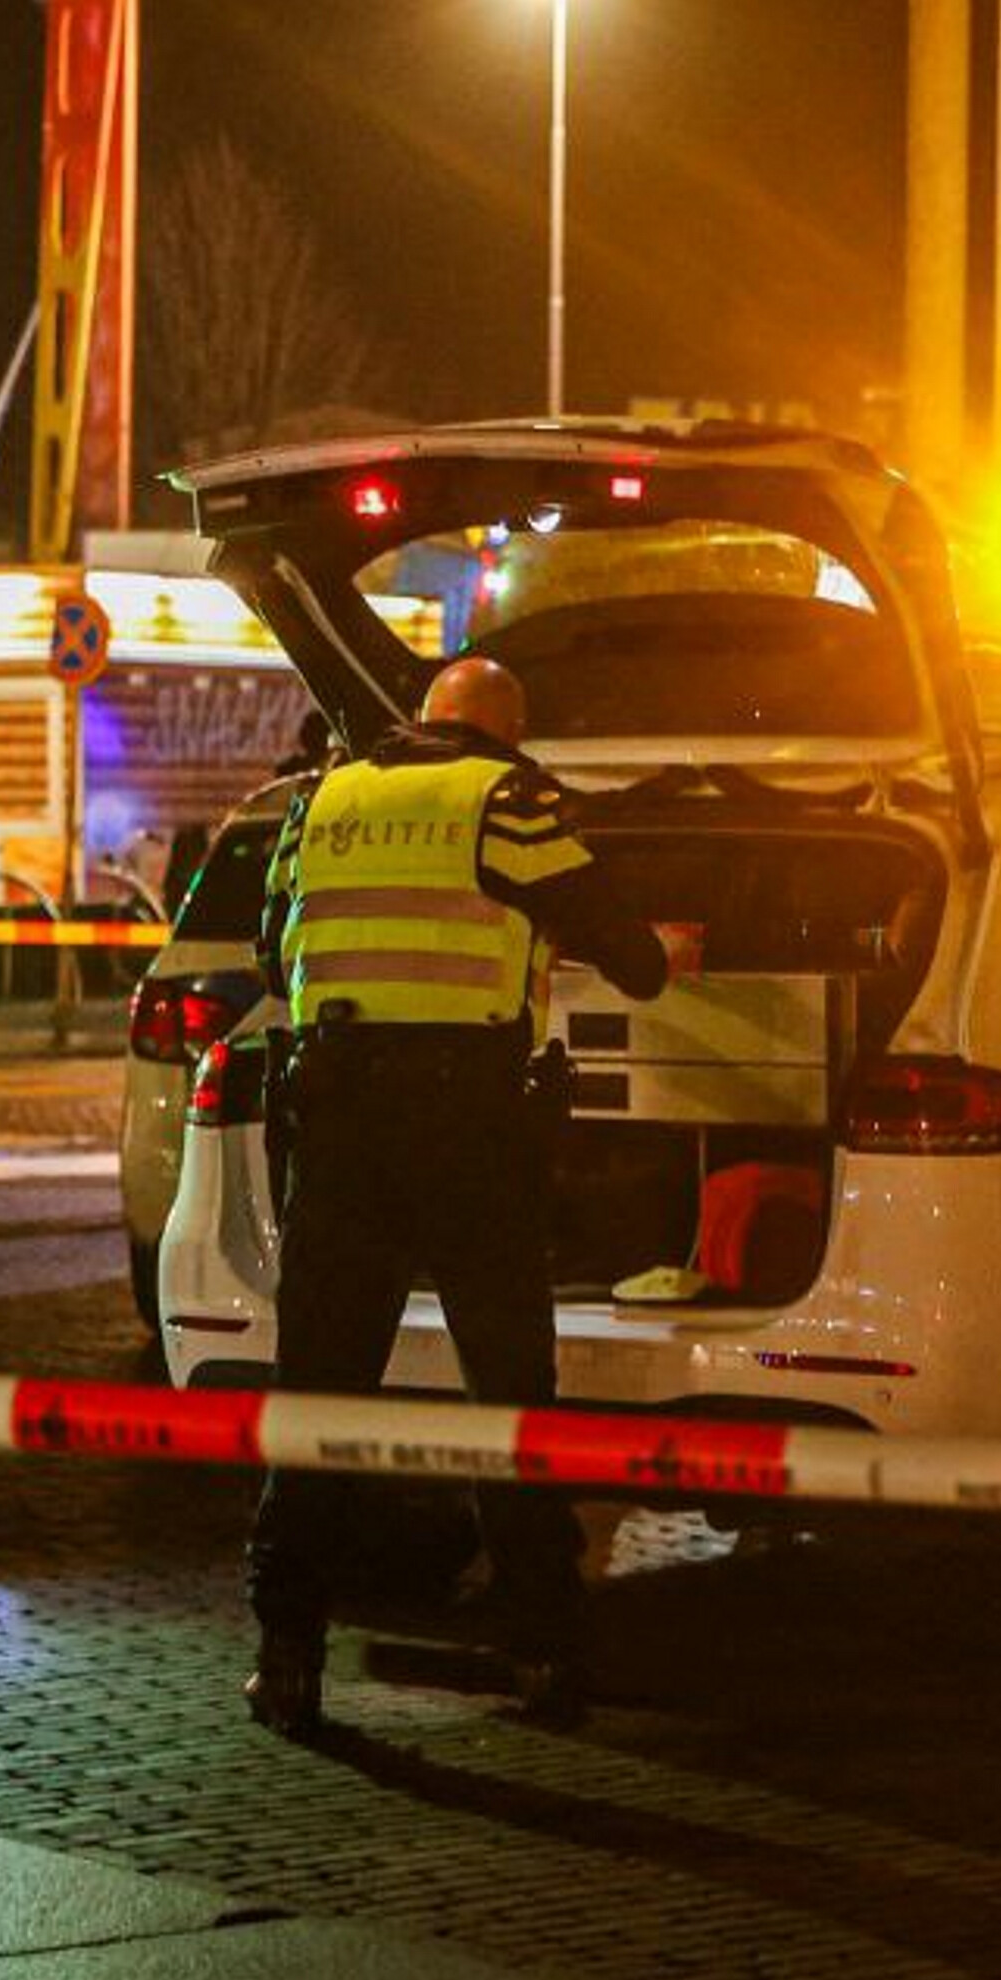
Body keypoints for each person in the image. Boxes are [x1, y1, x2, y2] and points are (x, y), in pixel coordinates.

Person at [243, 656, 670, 1738]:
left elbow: (267, 949)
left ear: (426, 721)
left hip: (338, 1130)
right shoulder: (509, 799)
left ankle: (285, 1657)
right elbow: (633, 957)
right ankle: (541, 1653)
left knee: (317, 1396)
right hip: (468, 1132)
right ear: (506, 734)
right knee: (509, 1399)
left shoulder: (323, 797)